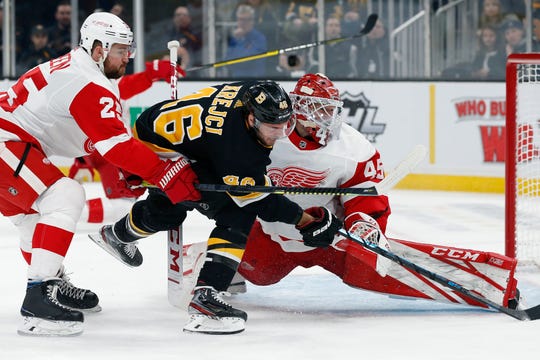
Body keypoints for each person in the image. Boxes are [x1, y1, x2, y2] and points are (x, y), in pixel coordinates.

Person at [182, 73, 521, 318]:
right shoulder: (265, 135)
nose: (327, 118)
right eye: (318, 109)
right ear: (298, 108)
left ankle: (491, 283)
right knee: (261, 273)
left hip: (331, 237)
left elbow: (366, 196)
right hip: (274, 236)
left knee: (372, 270)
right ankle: (199, 258)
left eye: (330, 109)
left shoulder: (353, 147)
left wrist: (363, 223)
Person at [0, 12, 201, 337]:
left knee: (31, 224)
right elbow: (116, 145)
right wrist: (166, 172)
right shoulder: (88, 83)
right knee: (65, 195)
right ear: (98, 49)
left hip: (13, 144)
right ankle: (38, 299)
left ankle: (52, 282)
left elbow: (114, 92)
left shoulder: (80, 68)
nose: (128, 57)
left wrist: (150, 75)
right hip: (7, 142)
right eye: (122, 50)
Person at [88, 80, 342, 335]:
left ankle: (117, 235)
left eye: (283, 126)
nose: (279, 134)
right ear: (252, 119)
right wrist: (304, 219)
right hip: (157, 151)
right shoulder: (236, 149)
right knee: (237, 212)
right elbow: (261, 201)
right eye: (272, 129)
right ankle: (206, 296)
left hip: (160, 128)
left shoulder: (253, 92)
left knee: (169, 210)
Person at [68, 59, 187, 224]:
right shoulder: (106, 83)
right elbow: (128, 85)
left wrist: (81, 159)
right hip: (112, 151)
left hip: (92, 149)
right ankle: (62, 213)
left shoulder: (81, 84)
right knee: (123, 207)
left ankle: (59, 211)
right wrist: (152, 74)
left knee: (121, 204)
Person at [225, 4, 268, 77]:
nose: (243, 23)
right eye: (240, 19)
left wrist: (239, 44)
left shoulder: (259, 38)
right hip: (236, 81)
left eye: (246, 20)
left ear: (252, 21)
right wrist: (237, 39)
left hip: (255, 81)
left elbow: (249, 61)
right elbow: (227, 62)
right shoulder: (234, 38)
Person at [169, 6, 202, 70]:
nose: (181, 17)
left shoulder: (196, 32)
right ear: (174, 18)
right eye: (178, 15)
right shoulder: (169, 33)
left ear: (189, 18)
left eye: (184, 15)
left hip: (192, 69)